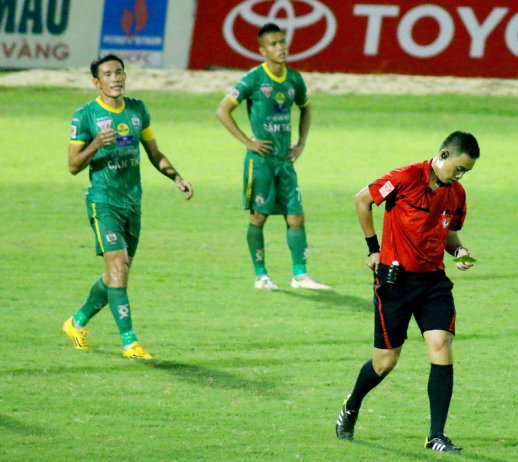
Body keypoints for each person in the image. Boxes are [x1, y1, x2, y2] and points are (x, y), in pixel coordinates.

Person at [335, 131, 480, 452]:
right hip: (395, 282)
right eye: (458, 168)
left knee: (441, 344)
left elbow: (449, 235)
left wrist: (460, 252)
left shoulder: (456, 194)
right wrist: (373, 249)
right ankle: (352, 403)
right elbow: (362, 200)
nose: (460, 176)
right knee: (385, 362)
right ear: (443, 155)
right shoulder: (405, 178)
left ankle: (436, 435)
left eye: (466, 172)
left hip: (433, 283)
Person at [62, 54, 194, 359]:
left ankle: (76, 322)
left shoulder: (138, 110)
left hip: (132, 203)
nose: (115, 78)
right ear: (96, 82)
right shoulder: (85, 116)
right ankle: (129, 342)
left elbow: (154, 153)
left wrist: (176, 177)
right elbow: (72, 165)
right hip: (103, 202)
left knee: (115, 275)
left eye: (119, 72)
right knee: (118, 270)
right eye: (108, 74)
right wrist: (96, 144)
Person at [215, 22, 330, 290]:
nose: (281, 48)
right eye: (274, 44)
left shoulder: (294, 79)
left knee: (296, 217)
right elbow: (222, 110)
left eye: (282, 42)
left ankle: (300, 275)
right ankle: (261, 276)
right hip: (261, 163)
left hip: (285, 162)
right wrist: (248, 142)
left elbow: (306, 108)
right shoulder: (254, 78)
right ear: (263, 50)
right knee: (258, 218)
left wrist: (300, 143)